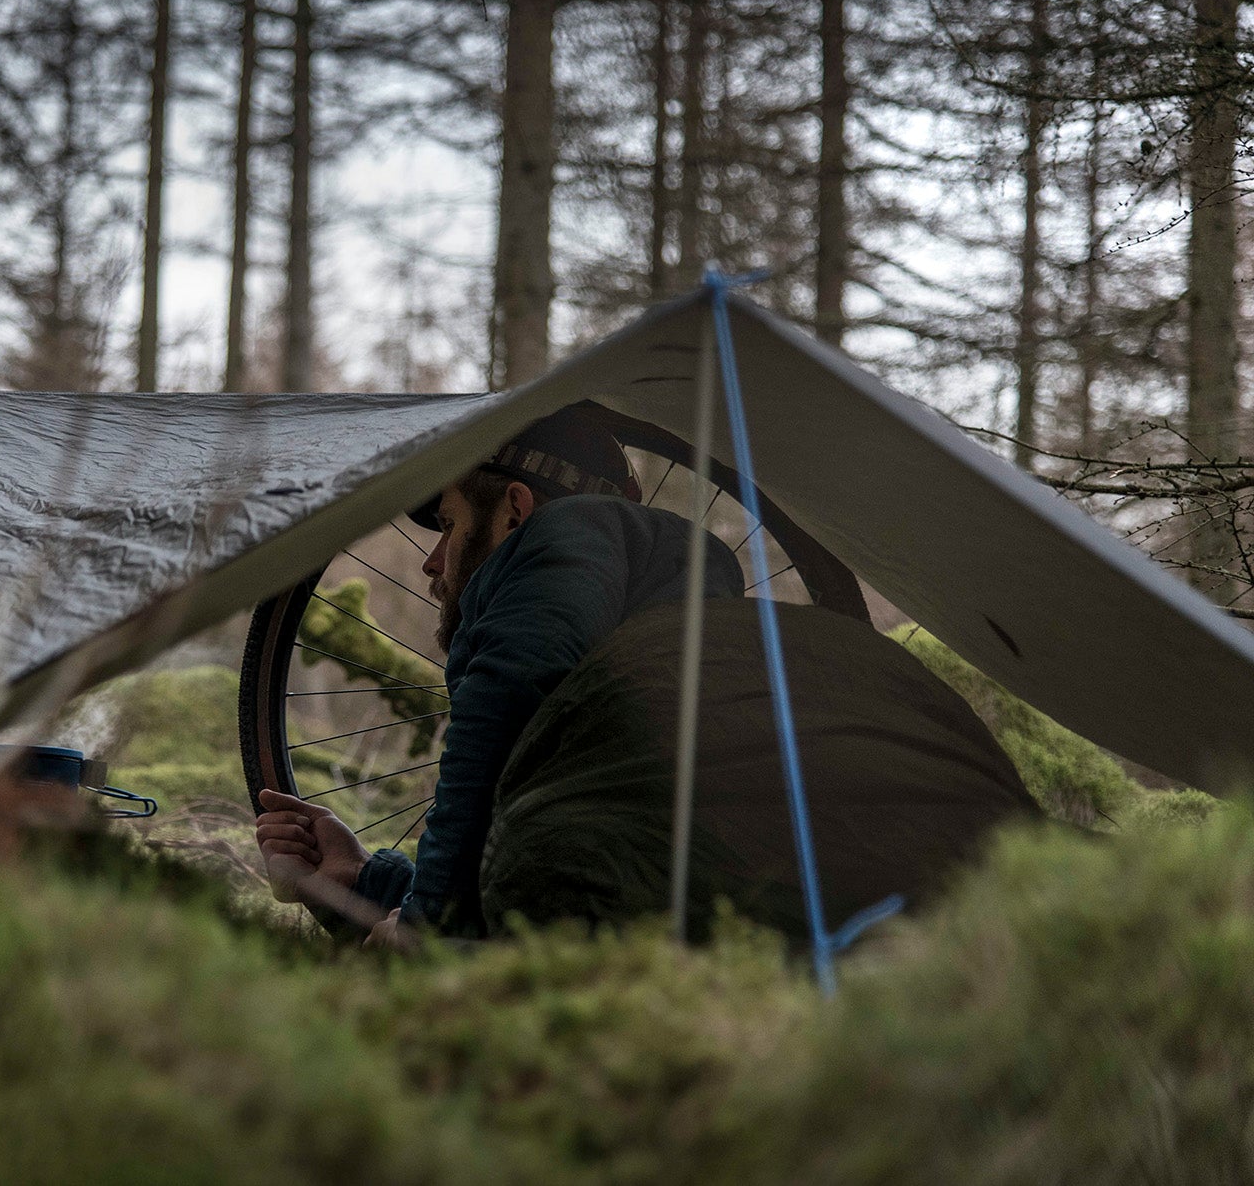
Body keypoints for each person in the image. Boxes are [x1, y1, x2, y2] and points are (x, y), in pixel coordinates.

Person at [255, 401, 1039, 950]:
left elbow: (546, 893)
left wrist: (419, 931)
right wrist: (362, 881)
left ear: (517, 510)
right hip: (989, 880)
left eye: (453, 524)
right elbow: (627, 856)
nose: (431, 561)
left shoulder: (549, 575)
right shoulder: (667, 660)